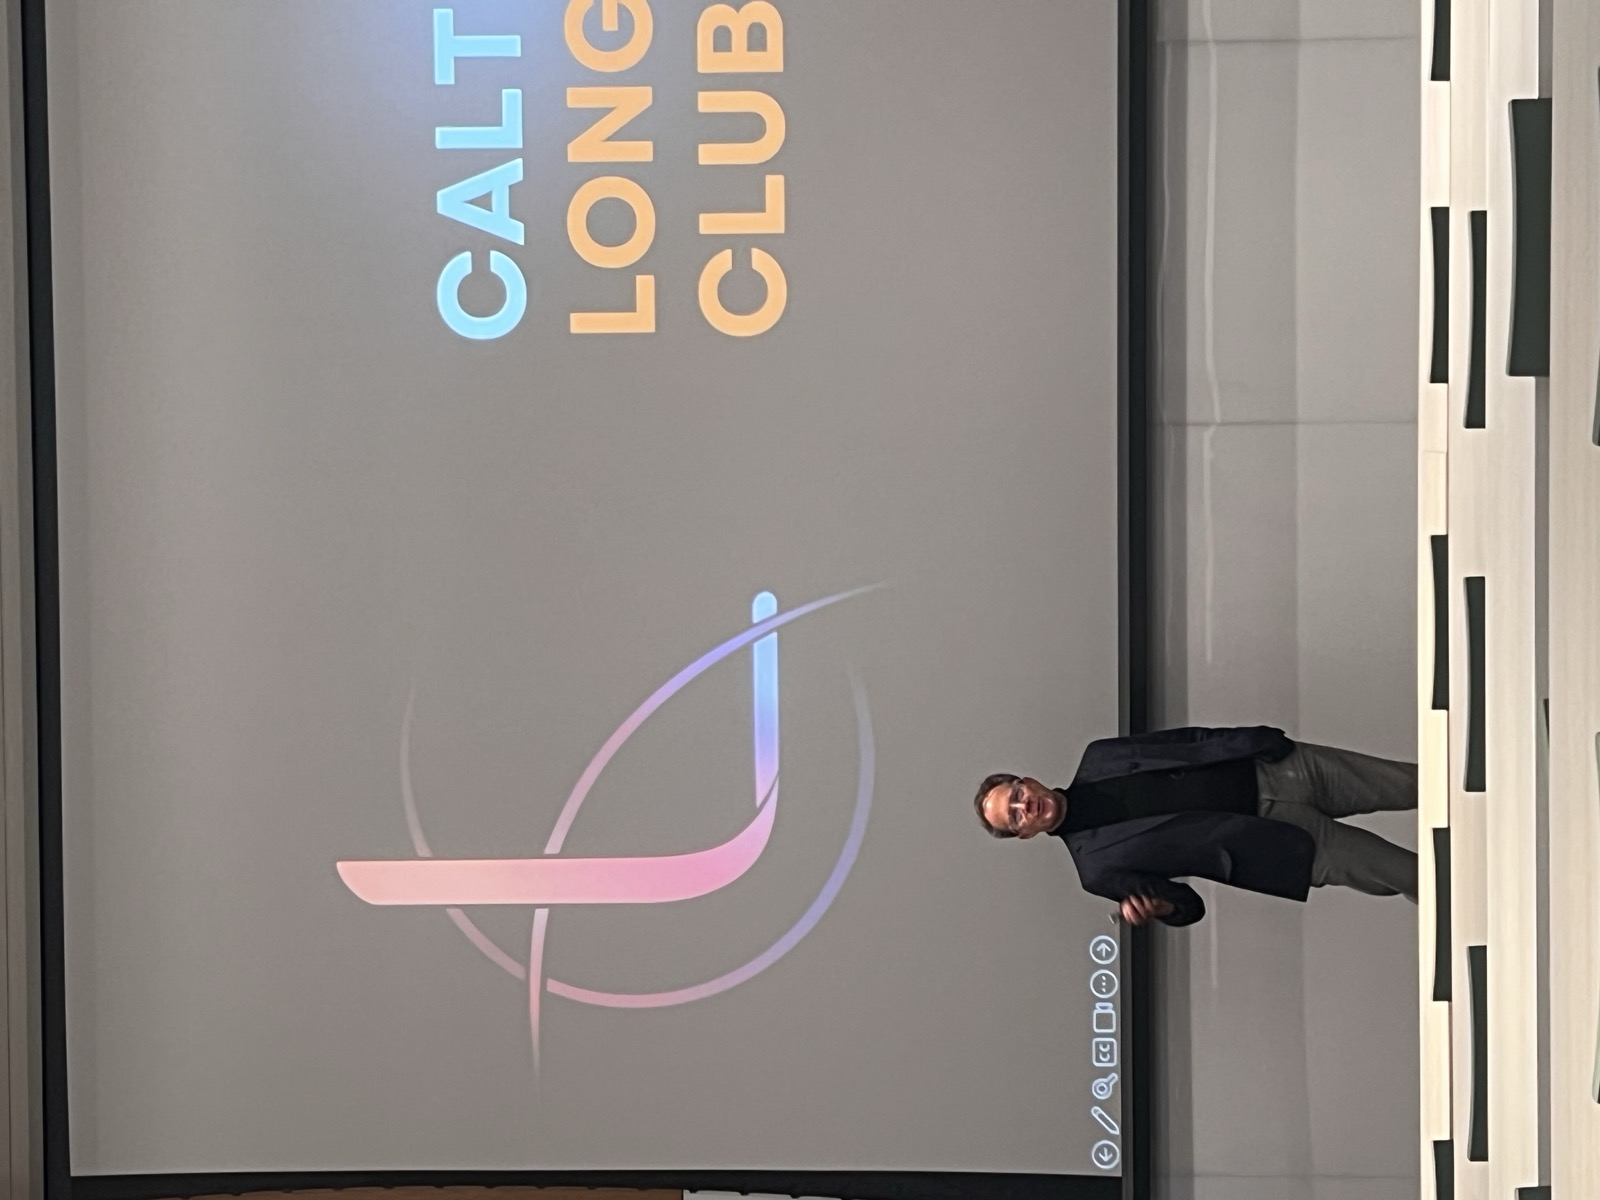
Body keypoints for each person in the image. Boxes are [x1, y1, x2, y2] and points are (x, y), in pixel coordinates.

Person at [973, 725, 1418, 927]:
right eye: (1015, 816)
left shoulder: (1100, 755)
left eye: (1017, 793)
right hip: (1283, 846)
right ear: (1024, 834)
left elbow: (1187, 741)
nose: (1025, 805)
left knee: (1421, 782)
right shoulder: (1097, 871)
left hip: (1279, 769)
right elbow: (1189, 906)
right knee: (1414, 875)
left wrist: (1256, 740)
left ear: (1027, 780)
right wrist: (1160, 909)